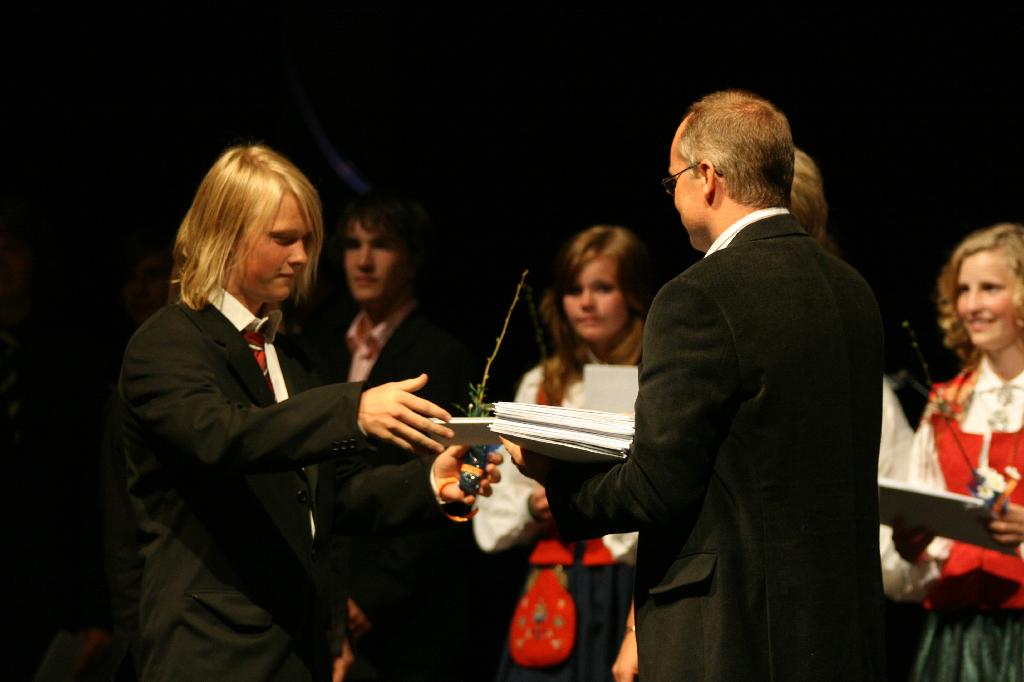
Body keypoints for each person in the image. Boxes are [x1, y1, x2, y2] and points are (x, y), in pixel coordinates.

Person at [506, 90, 886, 680]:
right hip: (840, 626)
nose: (673, 196)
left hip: (733, 630)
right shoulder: (853, 291)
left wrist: (555, 479)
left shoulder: (698, 296)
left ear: (707, 177)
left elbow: (658, 486)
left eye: (673, 180)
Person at [118, 144, 499, 681]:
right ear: (226, 233)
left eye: (307, 241)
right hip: (212, 651)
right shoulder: (169, 341)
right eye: (283, 239)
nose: (301, 257)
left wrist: (430, 483)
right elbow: (222, 435)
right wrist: (353, 410)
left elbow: (330, 493)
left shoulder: (290, 356)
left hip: (297, 647)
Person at [300, 190, 482, 681]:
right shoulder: (316, 347)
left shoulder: (442, 356)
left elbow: (453, 482)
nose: (363, 260)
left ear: (412, 258)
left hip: (411, 621)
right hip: (325, 606)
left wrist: (371, 596)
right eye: (352, 244)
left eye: (380, 245)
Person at [474, 225, 652, 681]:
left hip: (625, 586)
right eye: (574, 290)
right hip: (553, 583)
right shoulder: (543, 384)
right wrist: (534, 507)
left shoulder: (653, 380)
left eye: (603, 288)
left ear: (631, 294)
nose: (586, 303)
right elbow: (495, 511)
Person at [881, 223, 1024, 680]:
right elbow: (921, 537)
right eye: (963, 290)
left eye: (990, 288)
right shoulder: (946, 405)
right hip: (956, 638)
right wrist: (911, 548)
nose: (971, 305)